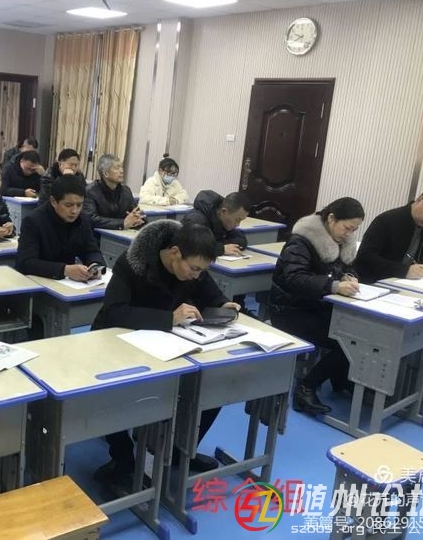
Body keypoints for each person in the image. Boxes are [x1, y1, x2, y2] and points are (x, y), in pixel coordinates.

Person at [91, 220, 240, 484]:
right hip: (118, 341)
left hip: (166, 345)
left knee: (211, 387)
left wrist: (223, 304)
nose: (197, 275)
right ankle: (123, 459)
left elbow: (210, 293)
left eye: (202, 270)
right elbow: (114, 311)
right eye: (194, 269)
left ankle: (181, 450)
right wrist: (168, 318)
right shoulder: (133, 264)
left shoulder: (192, 266)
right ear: (174, 253)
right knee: (116, 396)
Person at [270, 197, 365, 415]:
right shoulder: (300, 242)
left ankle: (340, 379)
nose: (349, 234)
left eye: (354, 230)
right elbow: (295, 279)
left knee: (359, 333)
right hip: (290, 311)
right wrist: (334, 286)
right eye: (347, 228)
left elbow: (345, 269)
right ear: (331, 218)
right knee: (348, 342)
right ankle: (306, 388)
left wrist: (350, 276)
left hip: (318, 308)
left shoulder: (340, 242)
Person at [16, 175, 104, 280]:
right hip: (39, 280)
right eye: (68, 205)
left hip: (70, 283)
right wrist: (64, 270)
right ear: (53, 201)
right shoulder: (33, 221)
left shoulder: (82, 219)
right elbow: (26, 263)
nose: (74, 211)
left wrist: (94, 266)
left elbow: (92, 250)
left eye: (79, 205)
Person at [355, 186, 423, 283]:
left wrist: (422, 269)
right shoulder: (388, 220)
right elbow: (365, 257)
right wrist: (404, 270)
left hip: (401, 282)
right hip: (372, 281)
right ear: (420, 200)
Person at [83, 154, 145, 230]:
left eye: (121, 167)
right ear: (105, 173)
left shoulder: (126, 191)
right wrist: (122, 223)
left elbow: (139, 214)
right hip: (99, 235)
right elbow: (91, 219)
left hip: (123, 234)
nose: (121, 171)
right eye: (117, 168)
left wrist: (138, 219)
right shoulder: (90, 191)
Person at [182, 191, 250, 257]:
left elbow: (241, 241)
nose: (238, 225)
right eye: (237, 220)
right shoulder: (195, 220)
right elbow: (191, 247)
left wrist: (216, 245)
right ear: (224, 212)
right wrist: (221, 249)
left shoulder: (224, 222)